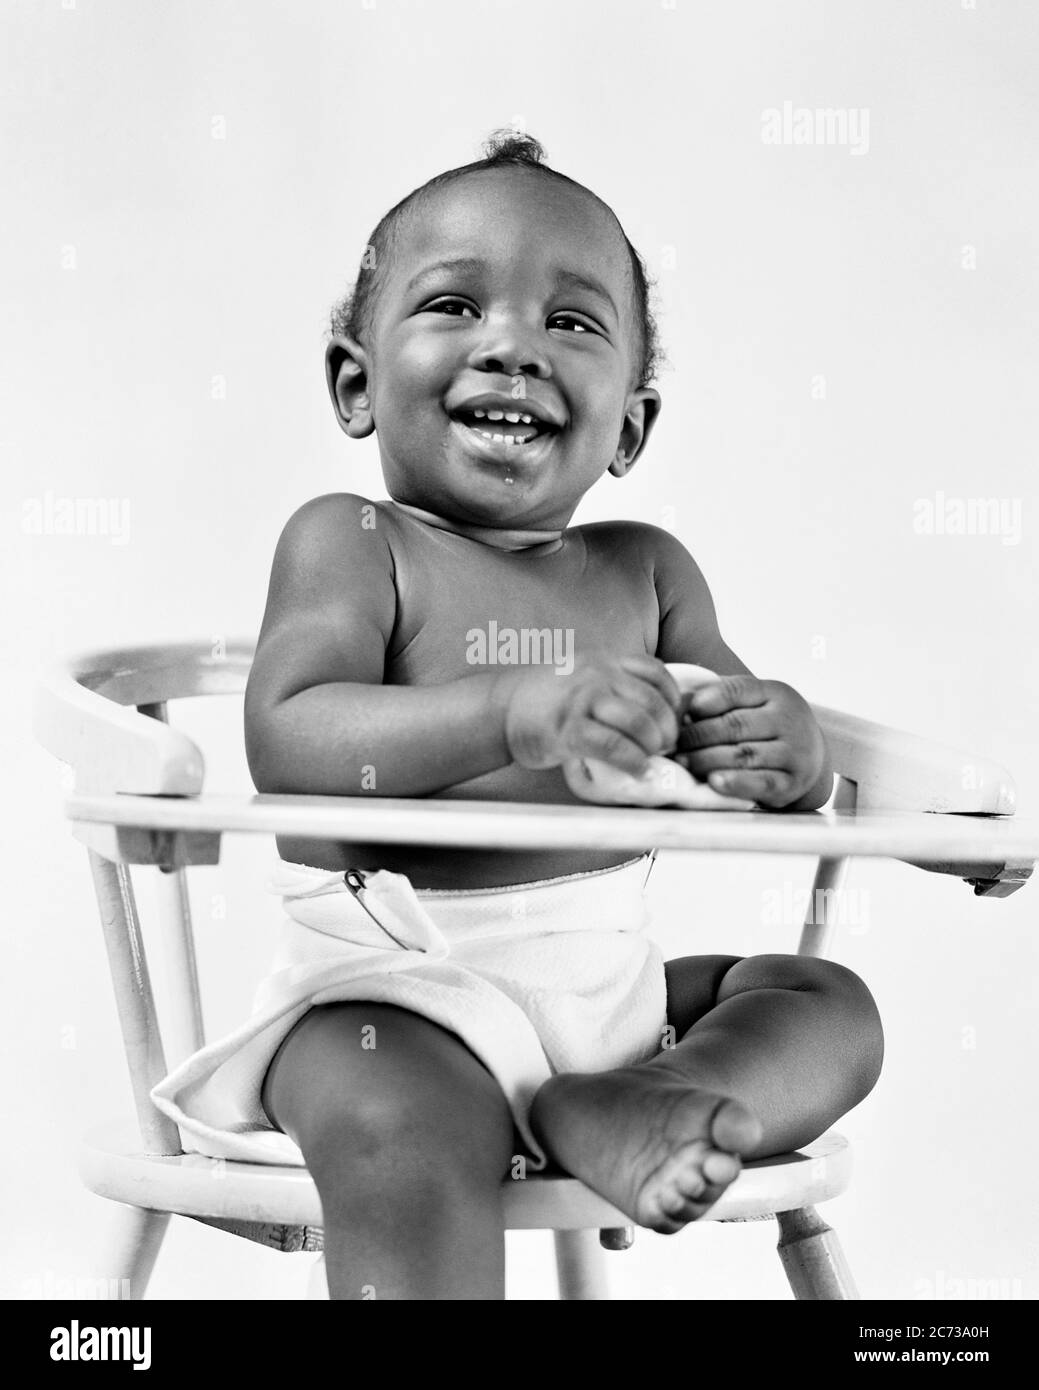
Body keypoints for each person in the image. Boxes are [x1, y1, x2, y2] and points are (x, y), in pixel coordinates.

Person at [157, 131, 883, 1300]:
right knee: (399, 1122)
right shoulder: (354, 545)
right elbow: (291, 736)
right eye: (454, 304)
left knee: (827, 1007)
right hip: (393, 997)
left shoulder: (649, 573)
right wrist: (511, 712)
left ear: (631, 426)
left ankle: (629, 1103)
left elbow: (729, 749)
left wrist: (783, 749)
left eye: (572, 324)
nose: (510, 345)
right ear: (355, 381)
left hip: (612, 1003)